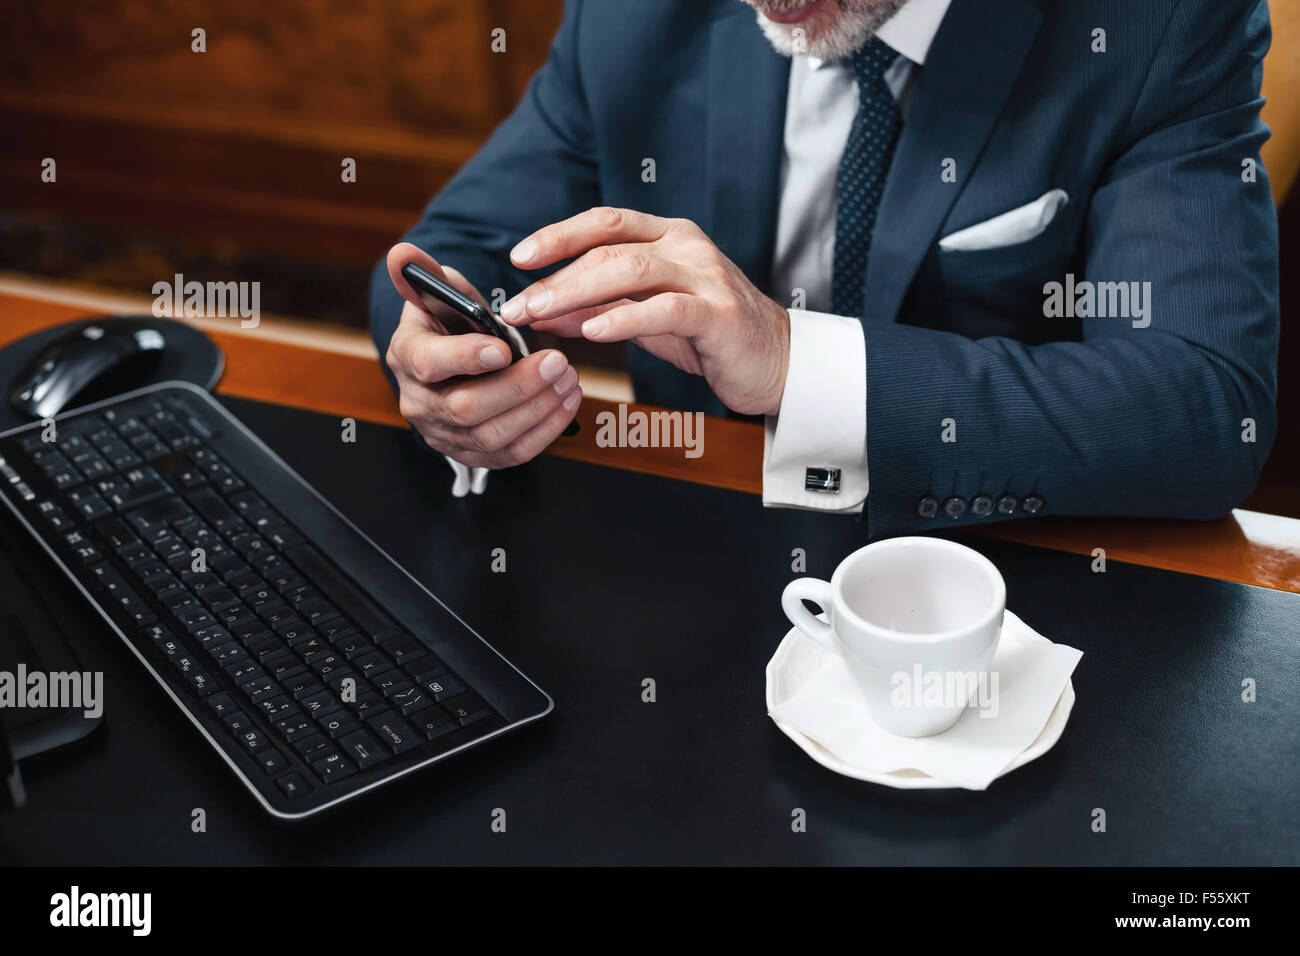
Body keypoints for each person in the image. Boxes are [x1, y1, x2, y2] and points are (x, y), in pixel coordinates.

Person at [370, 0, 1279, 537]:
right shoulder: (634, 15)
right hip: (684, 543)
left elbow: (1204, 405)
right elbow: (452, 254)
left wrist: (795, 361)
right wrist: (447, 361)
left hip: (989, 579)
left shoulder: (1157, 24)